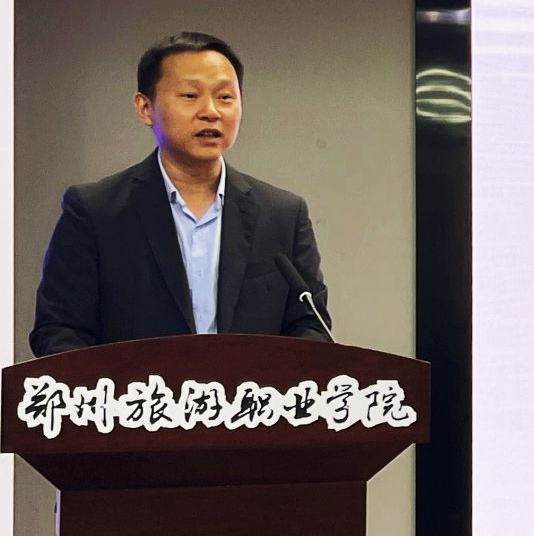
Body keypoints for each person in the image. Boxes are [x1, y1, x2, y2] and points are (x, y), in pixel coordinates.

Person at [31, 32, 331, 356]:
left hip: (250, 389)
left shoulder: (282, 215)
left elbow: (310, 327)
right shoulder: (96, 211)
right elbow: (60, 330)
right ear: (145, 108)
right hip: (136, 388)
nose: (211, 111)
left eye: (225, 97)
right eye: (190, 95)